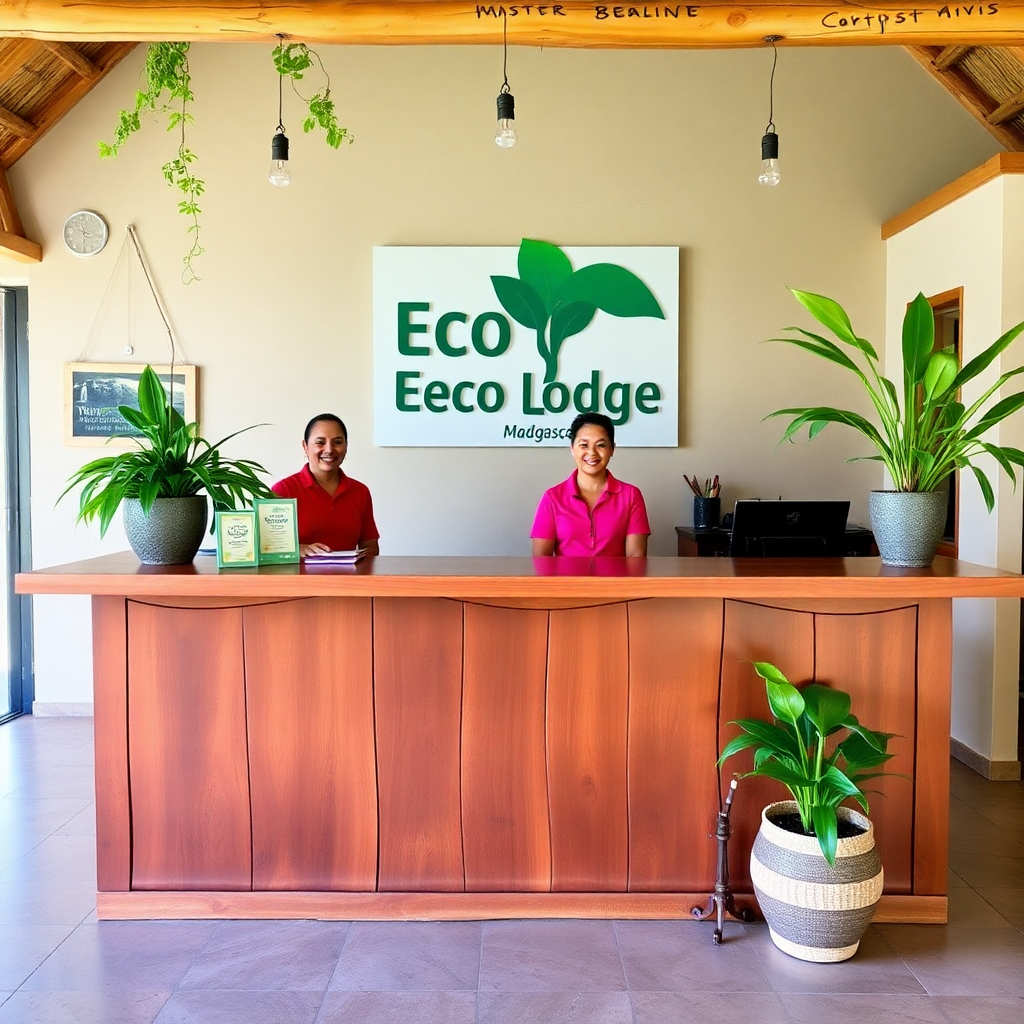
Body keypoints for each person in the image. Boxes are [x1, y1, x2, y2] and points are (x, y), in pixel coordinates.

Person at [531, 412, 650, 557]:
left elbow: (635, 560)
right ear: (572, 449)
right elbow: (541, 562)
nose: (592, 453)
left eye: (600, 445)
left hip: (615, 580)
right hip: (566, 580)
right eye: (584, 445)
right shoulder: (552, 498)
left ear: (612, 449)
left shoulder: (631, 496)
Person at [272, 414, 380, 557]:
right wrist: (297, 549)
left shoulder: (360, 491)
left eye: (337, 442)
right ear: (305, 446)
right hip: (299, 578)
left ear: (346, 446)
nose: (329, 449)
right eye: (320, 442)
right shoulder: (283, 490)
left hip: (349, 578)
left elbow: (371, 548)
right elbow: (268, 547)